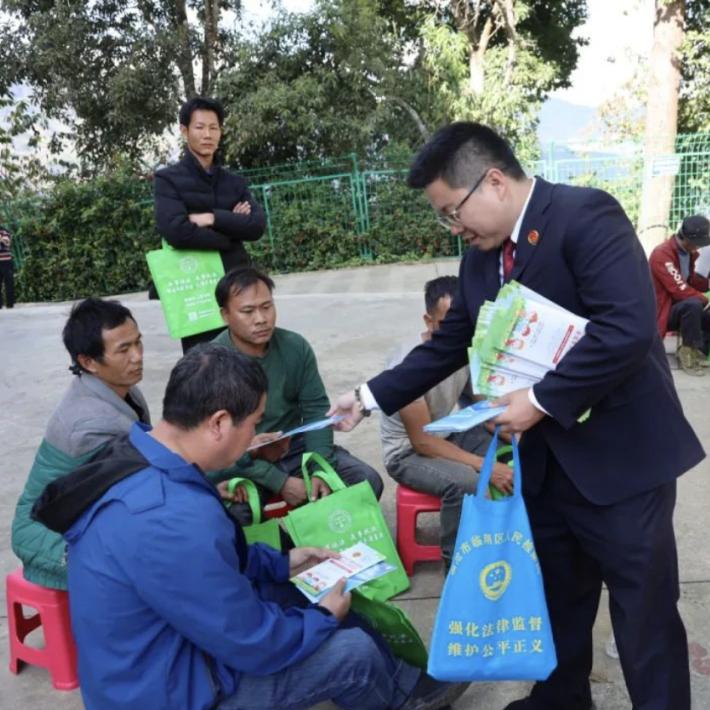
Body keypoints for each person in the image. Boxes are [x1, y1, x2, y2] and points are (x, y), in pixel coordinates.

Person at [329, 122, 705, 710]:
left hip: (620, 464)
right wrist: (367, 394)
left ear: (494, 181)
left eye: (453, 211)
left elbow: (626, 328)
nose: (454, 227)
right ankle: (560, 701)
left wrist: (541, 400)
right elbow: (446, 345)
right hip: (545, 466)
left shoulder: (585, 218)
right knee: (560, 599)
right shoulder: (479, 263)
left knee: (644, 614)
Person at [32, 344, 468, 710]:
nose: (259, 437)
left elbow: (207, 567)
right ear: (219, 422)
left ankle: (401, 682)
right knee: (348, 650)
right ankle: (400, 700)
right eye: (255, 423)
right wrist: (320, 619)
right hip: (164, 692)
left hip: (159, 651)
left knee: (300, 587)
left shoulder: (143, 451)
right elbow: (252, 642)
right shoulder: (170, 517)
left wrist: (281, 562)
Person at [210, 267, 384, 524]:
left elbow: (316, 411)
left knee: (366, 481)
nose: (261, 318)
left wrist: (318, 468)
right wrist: (279, 482)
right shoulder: (212, 363)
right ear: (225, 315)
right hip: (243, 458)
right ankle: (284, 555)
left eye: (267, 307)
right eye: (248, 311)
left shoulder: (295, 347)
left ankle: (321, 550)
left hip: (295, 446)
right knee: (232, 514)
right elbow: (216, 446)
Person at [11, 298, 149, 589]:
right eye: (124, 350)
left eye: (138, 343)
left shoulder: (125, 392)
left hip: (84, 514)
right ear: (87, 362)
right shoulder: (89, 424)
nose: (137, 356)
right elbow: (149, 471)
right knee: (142, 566)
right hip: (47, 531)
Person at [379, 275, 513, 567]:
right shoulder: (407, 364)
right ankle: (459, 562)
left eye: (463, 323)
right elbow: (421, 442)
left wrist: (514, 432)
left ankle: (507, 536)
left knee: (519, 450)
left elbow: (484, 407)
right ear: (429, 321)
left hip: (443, 433)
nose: (458, 332)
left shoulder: (466, 350)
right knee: (465, 481)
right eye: (447, 323)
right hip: (407, 452)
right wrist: (486, 466)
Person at [154, 96, 266, 352]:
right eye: (200, 127)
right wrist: (230, 234)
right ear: (184, 131)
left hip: (237, 284)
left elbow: (256, 226)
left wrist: (211, 218)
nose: (208, 135)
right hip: (196, 287)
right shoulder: (168, 180)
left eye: (213, 128)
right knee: (204, 366)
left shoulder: (234, 182)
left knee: (247, 358)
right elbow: (176, 231)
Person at [649, 215, 710, 375]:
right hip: (662, 311)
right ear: (688, 239)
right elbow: (679, 289)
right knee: (693, 304)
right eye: (699, 244)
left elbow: (690, 281)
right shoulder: (662, 254)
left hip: (677, 307)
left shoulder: (686, 253)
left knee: (700, 307)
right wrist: (705, 299)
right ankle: (686, 352)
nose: (699, 248)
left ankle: (700, 351)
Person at [0, 224, 15, 309]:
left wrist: (1, 239)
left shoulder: (4, 231)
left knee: (9, 283)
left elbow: (7, 243)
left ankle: (10, 304)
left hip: (6, 261)